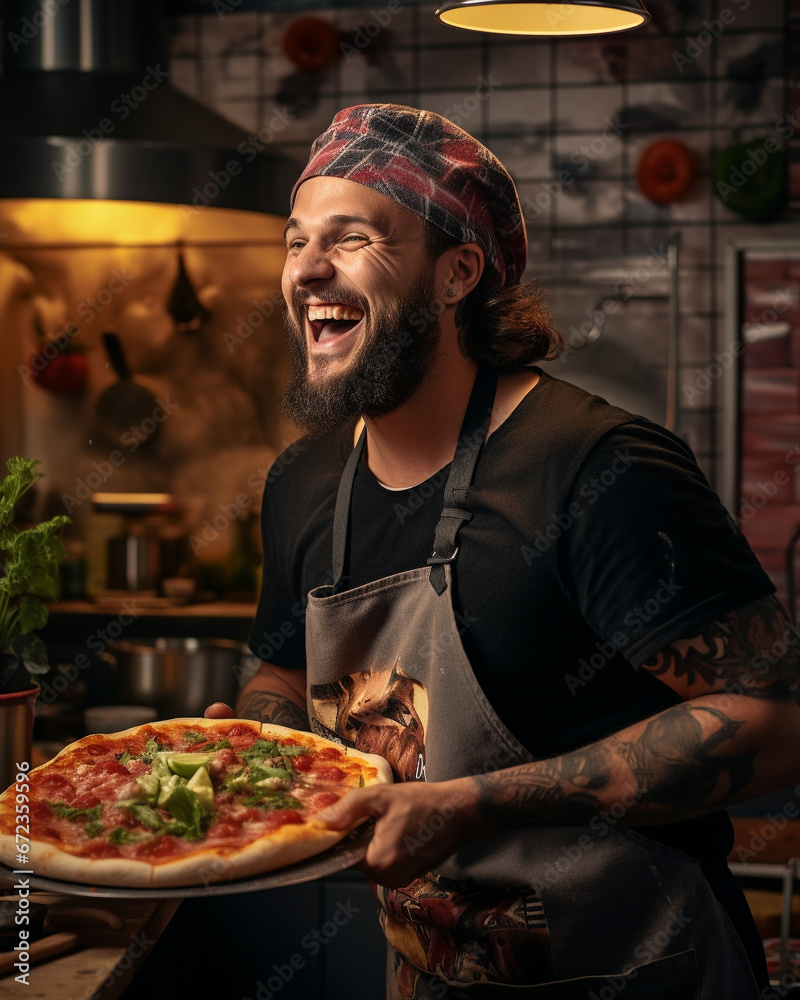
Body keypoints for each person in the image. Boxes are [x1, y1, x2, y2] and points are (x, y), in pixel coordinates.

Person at [207, 104, 800, 998]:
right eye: (296, 241)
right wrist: (269, 750)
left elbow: (781, 721)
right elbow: (283, 675)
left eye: (353, 237)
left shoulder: (597, 469)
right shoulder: (302, 483)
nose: (308, 270)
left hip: (643, 973)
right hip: (427, 978)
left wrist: (473, 802)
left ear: (457, 275)